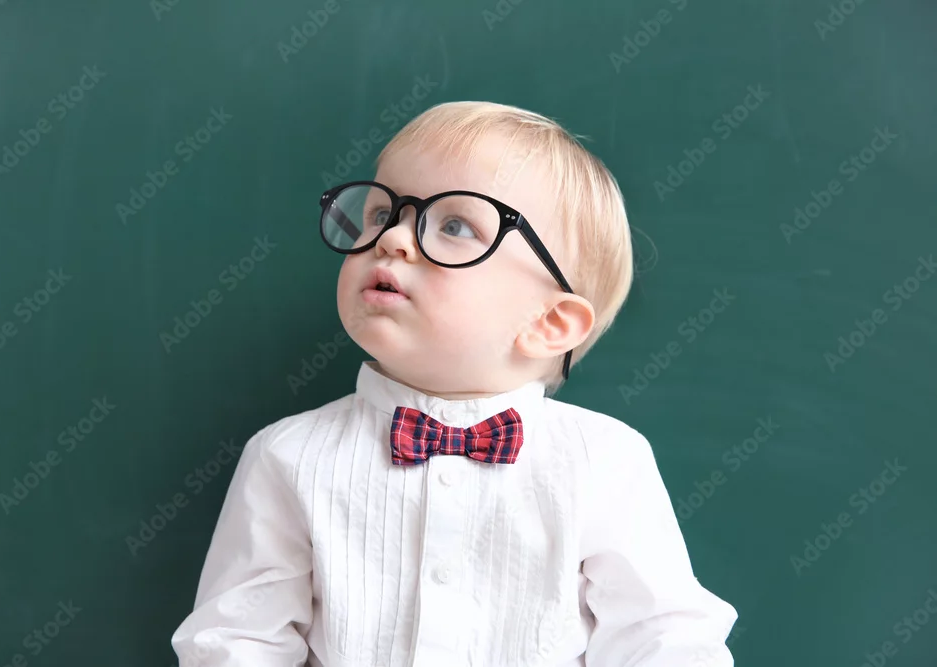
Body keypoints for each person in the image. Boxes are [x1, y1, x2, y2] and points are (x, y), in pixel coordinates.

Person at [171, 100, 737, 666]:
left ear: (549, 323)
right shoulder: (288, 456)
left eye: (455, 225)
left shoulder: (604, 461)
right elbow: (235, 642)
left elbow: (663, 640)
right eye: (381, 213)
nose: (392, 239)